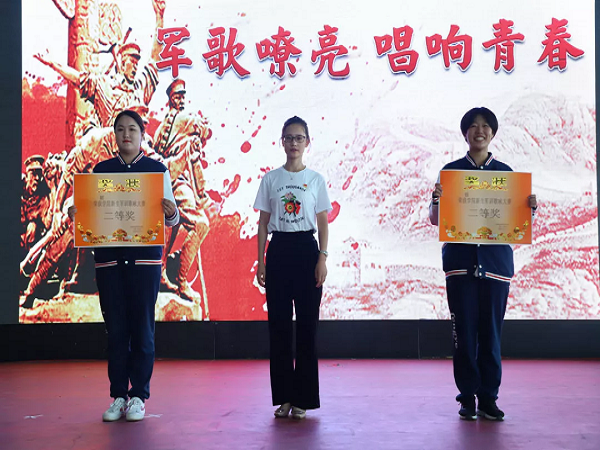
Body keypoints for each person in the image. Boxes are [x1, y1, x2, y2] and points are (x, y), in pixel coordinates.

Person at [69, 110, 179, 422]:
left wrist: (171, 212)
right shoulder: (101, 171)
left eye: (132, 129)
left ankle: (139, 396)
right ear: (114, 135)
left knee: (142, 329)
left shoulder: (156, 171)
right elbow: (91, 217)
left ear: (142, 135)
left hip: (144, 263)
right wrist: (78, 214)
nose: (126, 135)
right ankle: (118, 395)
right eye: (120, 129)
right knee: (116, 330)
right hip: (110, 263)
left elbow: (172, 220)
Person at [429, 107, 538, 421]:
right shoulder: (450, 173)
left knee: (491, 335)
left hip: (496, 266)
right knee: (463, 335)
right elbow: (436, 220)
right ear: (465, 133)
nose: (480, 131)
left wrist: (529, 209)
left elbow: (516, 225)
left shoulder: (507, 175)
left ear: (493, 133)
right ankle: (467, 398)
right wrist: (436, 200)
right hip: (460, 265)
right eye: (473, 126)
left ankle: (489, 398)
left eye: (486, 126)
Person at [253, 116, 332, 420]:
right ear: (281, 142)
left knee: (308, 327)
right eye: (289, 138)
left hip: (306, 251)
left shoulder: (316, 180)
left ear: (307, 142)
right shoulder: (271, 179)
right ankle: (284, 397)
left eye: (299, 138)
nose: (294, 143)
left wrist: (322, 257)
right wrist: (261, 261)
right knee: (280, 327)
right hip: (279, 251)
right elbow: (263, 224)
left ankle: (304, 399)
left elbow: (323, 223)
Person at [154, 79, 211, 317]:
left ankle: (164, 272)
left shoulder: (160, 129)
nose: (182, 99)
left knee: (171, 226)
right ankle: (182, 280)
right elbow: (205, 129)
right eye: (179, 96)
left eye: (183, 96)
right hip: (177, 182)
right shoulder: (186, 119)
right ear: (172, 99)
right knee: (200, 224)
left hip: (165, 182)